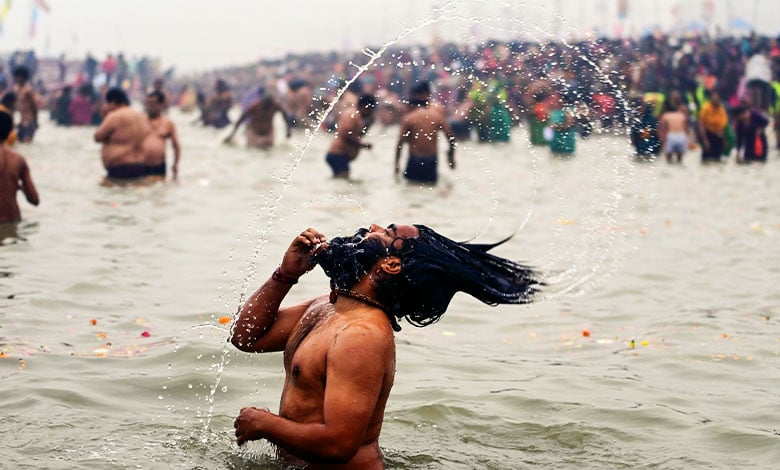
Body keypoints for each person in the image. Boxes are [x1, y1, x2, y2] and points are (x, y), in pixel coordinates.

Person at [231, 223, 541, 468]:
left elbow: (339, 445)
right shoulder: (327, 306)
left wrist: (265, 424)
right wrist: (285, 275)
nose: (372, 227)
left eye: (386, 233)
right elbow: (246, 337)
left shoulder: (361, 336)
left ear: (390, 265)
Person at [395, 82, 456, 184]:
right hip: (430, 160)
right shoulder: (437, 114)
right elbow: (451, 138)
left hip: (416, 159)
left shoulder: (410, 116)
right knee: (429, 192)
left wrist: (396, 164)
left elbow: (400, 143)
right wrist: (450, 158)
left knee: (411, 190)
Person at [94, 88, 150, 179]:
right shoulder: (141, 116)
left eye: (107, 103)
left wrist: (104, 117)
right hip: (140, 165)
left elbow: (97, 137)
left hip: (120, 167)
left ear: (112, 102)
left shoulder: (114, 116)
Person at [324, 94, 376, 179]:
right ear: (365, 107)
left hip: (339, 155)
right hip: (338, 154)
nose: (371, 112)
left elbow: (358, 135)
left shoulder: (357, 116)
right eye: (371, 109)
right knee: (343, 179)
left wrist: (370, 122)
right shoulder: (353, 116)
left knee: (339, 180)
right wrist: (362, 145)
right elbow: (346, 135)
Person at [0, 111, 39, 223]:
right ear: (10, 132)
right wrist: (19, 186)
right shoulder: (18, 159)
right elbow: (34, 199)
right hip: (12, 221)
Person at [224, 90, 291, 149]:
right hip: (253, 131)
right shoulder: (255, 106)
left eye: (269, 105)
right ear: (262, 102)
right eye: (265, 105)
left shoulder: (275, 106)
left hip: (268, 132)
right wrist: (232, 133)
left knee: (269, 148)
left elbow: (284, 115)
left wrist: (288, 130)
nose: (267, 108)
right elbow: (242, 118)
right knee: (252, 149)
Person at [142, 91, 181, 178]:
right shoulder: (140, 120)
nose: (150, 107)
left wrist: (175, 164)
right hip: (141, 164)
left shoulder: (168, 123)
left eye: (154, 104)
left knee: (159, 189)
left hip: (159, 166)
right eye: (149, 104)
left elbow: (176, 146)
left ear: (161, 105)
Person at [697, 90, 729, 162]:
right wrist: (705, 140)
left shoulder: (722, 110)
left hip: (718, 137)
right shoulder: (705, 108)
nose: (716, 100)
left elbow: (724, 126)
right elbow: (701, 124)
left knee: (717, 158)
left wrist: (724, 140)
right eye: (714, 98)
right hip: (707, 134)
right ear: (711, 99)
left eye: (717, 99)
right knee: (706, 158)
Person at [12, 66, 38, 143]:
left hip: (30, 121)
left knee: (27, 143)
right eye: (16, 76)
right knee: (19, 143)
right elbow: (13, 107)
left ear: (24, 77)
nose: (17, 79)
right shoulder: (15, 89)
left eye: (18, 77)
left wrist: (36, 121)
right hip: (20, 122)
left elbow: (34, 107)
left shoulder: (28, 90)